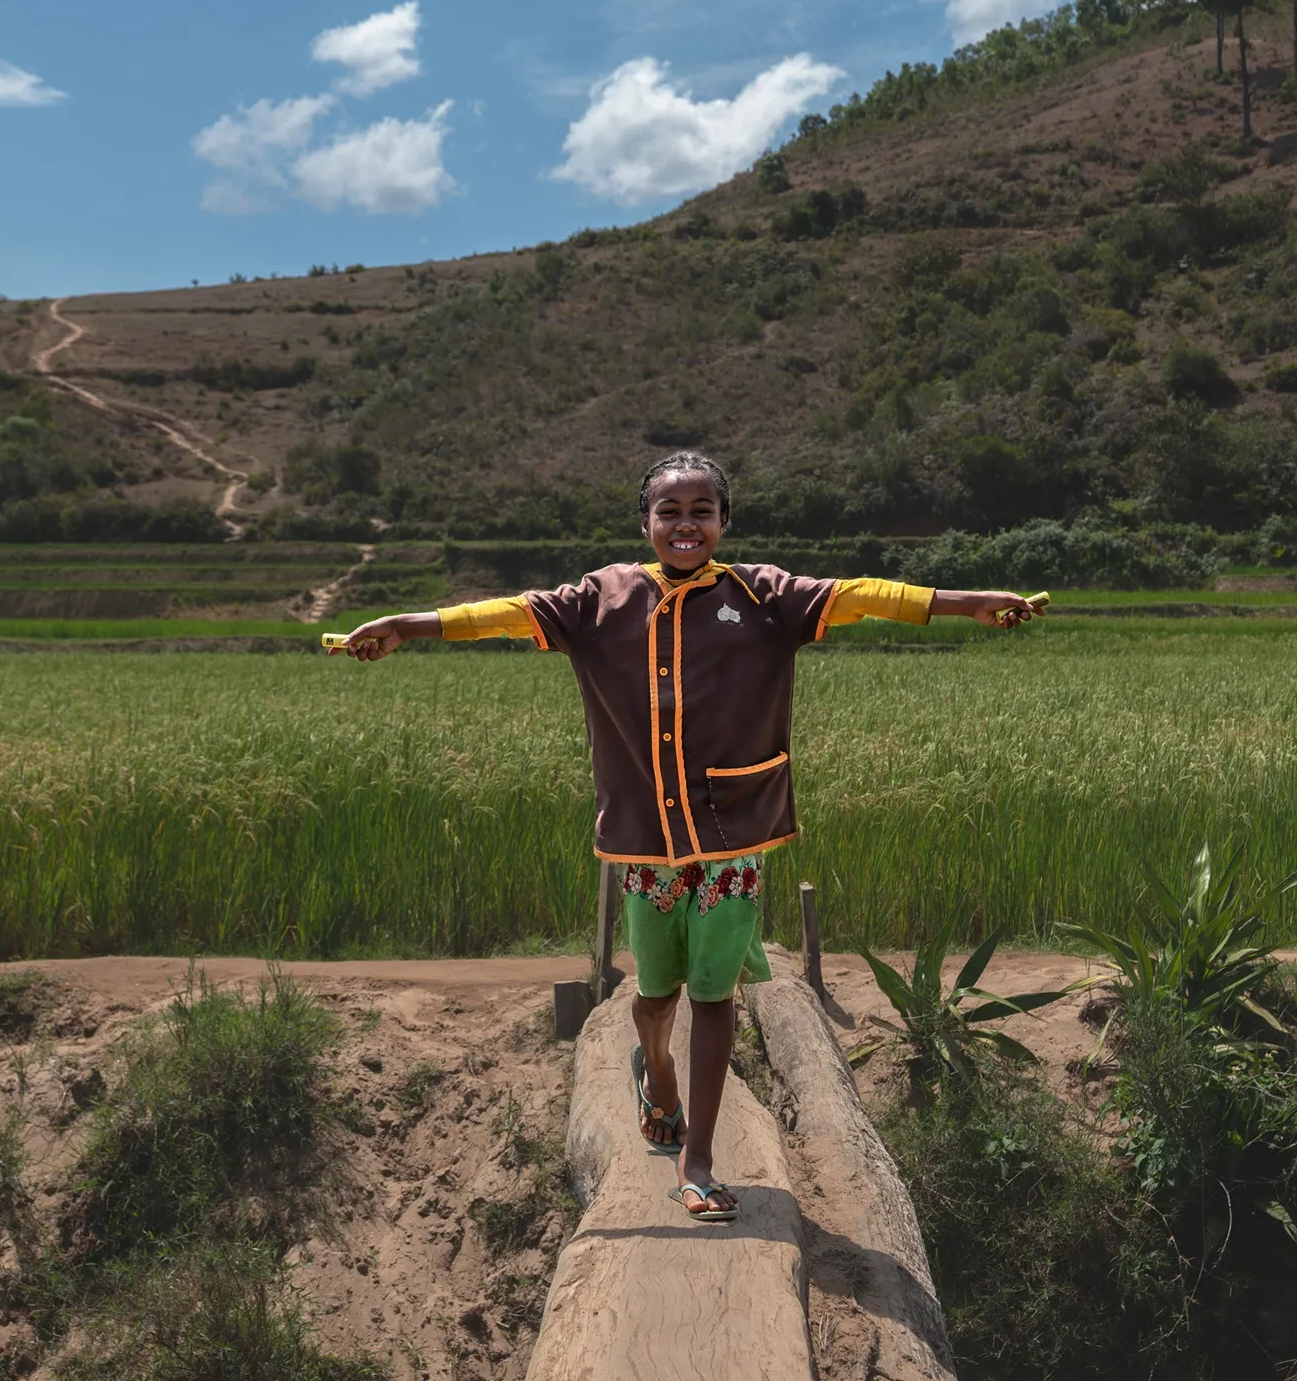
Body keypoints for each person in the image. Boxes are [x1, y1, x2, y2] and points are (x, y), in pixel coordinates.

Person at [335, 451, 1041, 1222]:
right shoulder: (600, 599)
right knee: (654, 993)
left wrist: (965, 602)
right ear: (646, 523)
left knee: (713, 995)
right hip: (645, 842)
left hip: (733, 837)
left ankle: (697, 1159)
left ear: (723, 523)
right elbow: (502, 613)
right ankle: (658, 1074)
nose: (685, 524)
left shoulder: (764, 596)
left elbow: (865, 596)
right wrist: (408, 623)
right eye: (670, 511)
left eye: (702, 510)